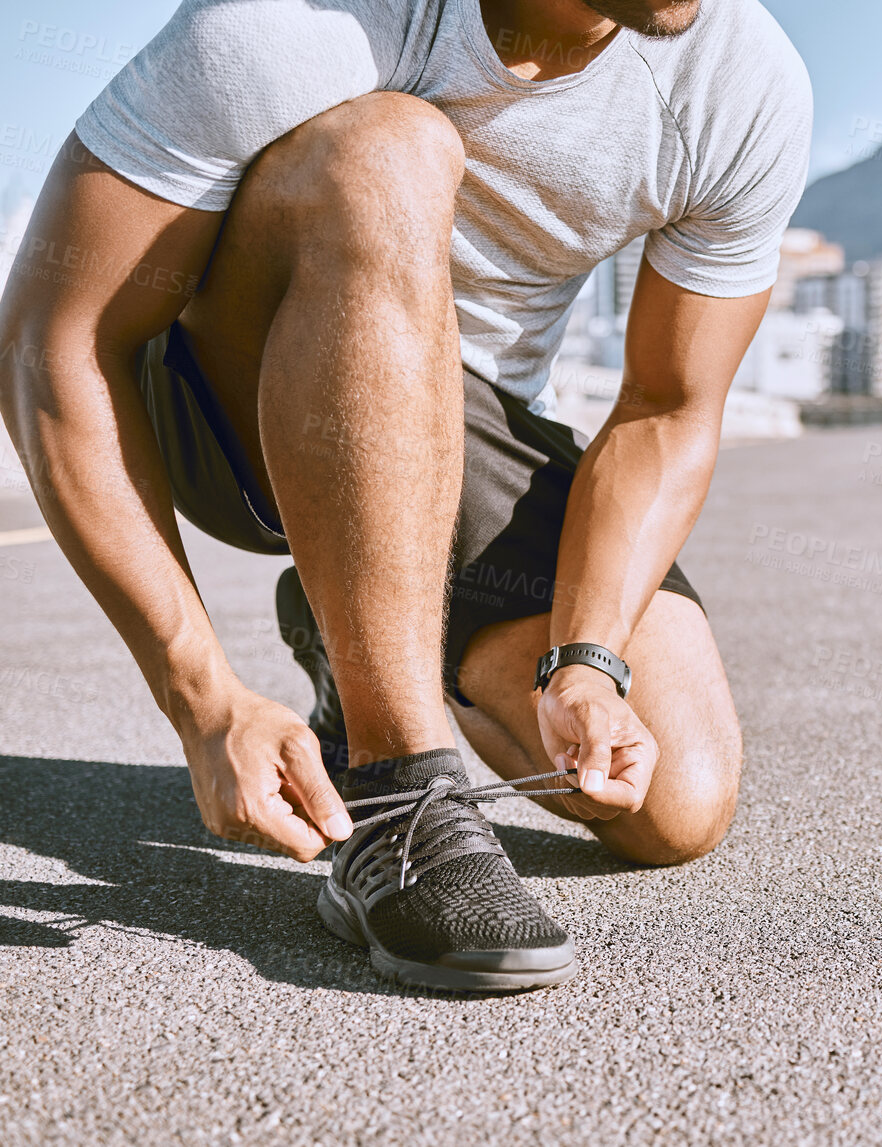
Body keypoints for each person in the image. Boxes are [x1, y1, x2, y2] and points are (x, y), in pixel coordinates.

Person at [0, 0, 811, 991]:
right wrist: (202, 701)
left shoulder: (741, 81)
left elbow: (665, 405)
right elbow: (59, 337)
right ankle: (397, 789)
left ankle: (352, 651)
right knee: (395, 145)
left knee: (674, 801)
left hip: (462, 426)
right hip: (223, 405)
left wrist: (586, 661)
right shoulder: (291, 22)